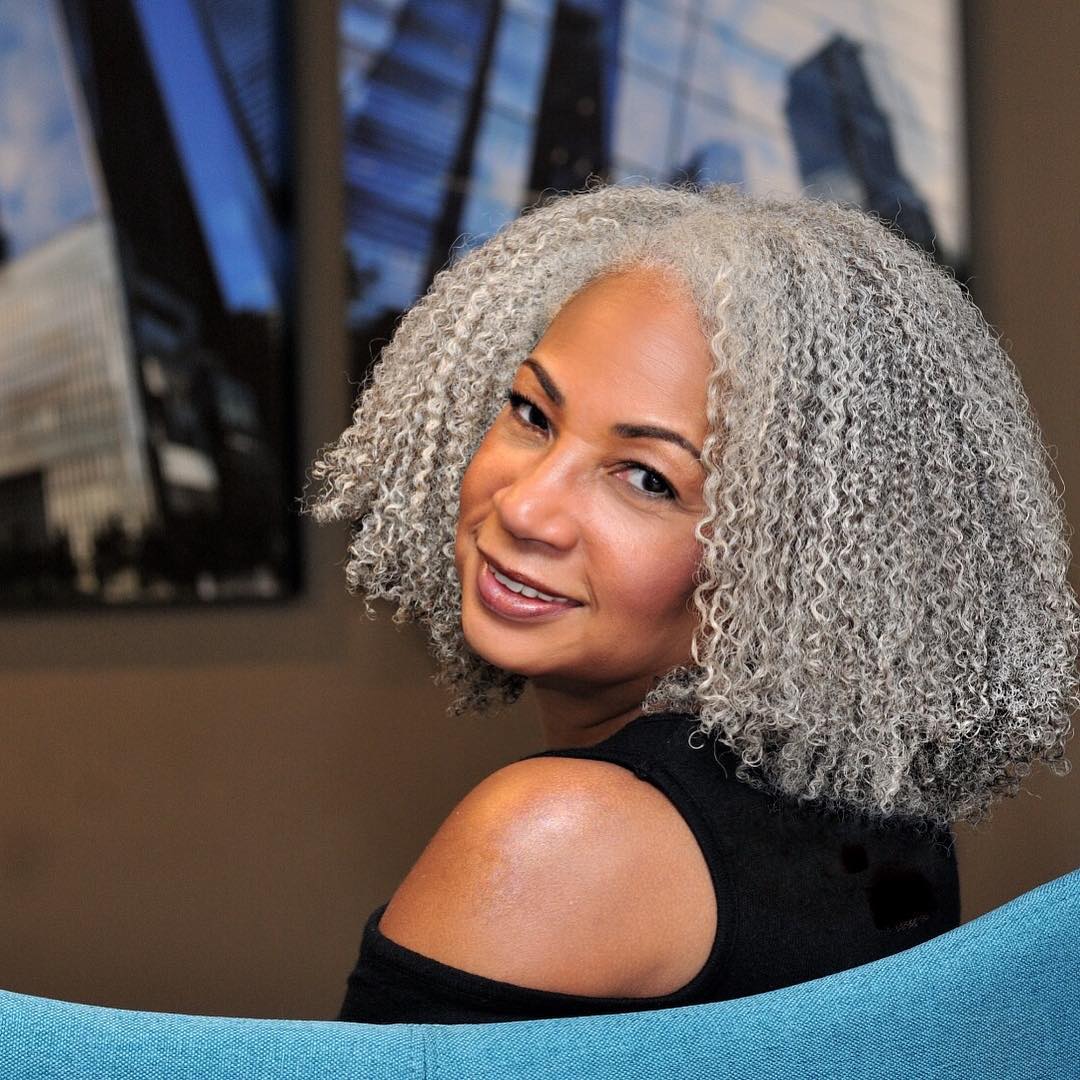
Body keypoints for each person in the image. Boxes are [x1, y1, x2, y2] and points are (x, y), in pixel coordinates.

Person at [305, 183, 1079, 1024]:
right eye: (532, 413)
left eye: (648, 479)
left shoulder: (552, 840)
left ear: (788, 560)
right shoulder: (886, 824)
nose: (526, 507)